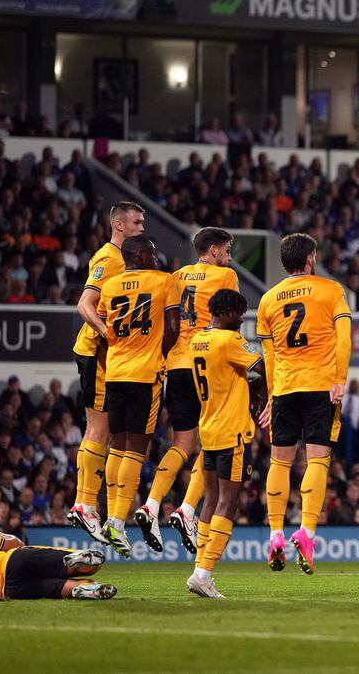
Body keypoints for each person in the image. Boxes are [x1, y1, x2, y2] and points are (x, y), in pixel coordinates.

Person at [135, 228, 239, 553]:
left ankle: (151, 505)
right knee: (210, 443)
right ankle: (188, 508)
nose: (230, 255)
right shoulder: (226, 275)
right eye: (227, 249)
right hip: (206, 360)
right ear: (212, 250)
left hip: (176, 364)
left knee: (182, 442)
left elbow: (167, 322)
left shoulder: (175, 277)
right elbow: (229, 315)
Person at [257, 233, 352, 574]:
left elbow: (267, 354)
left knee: (280, 463)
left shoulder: (268, 300)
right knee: (317, 460)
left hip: (284, 388)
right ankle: (307, 532)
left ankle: (275, 535)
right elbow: (344, 337)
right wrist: (339, 378)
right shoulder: (331, 290)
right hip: (320, 386)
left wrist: (270, 395)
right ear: (310, 258)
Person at [84, 235, 181, 556]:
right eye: (152, 252)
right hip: (145, 374)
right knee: (137, 451)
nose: (156, 256)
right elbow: (173, 328)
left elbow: (102, 322)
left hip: (115, 373)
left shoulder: (110, 286)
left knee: (118, 446)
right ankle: (116, 522)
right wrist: (160, 354)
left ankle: (112, 516)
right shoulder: (164, 281)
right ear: (140, 255)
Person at [67, 201, 145, 543]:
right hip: (96, 352)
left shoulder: (122, 261)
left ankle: (93, 506)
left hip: (106, 356)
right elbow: (84, 304)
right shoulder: (108, 258)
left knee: (108, 430)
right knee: (98, 428)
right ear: (120, 226)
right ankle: (84, 504)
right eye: (137, 222)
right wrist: (106, 332)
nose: (142, 227)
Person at [185, 289, 267, 598]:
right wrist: (262, 398)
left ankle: (199, 570)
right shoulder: (230, 341)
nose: (242, 319)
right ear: (229, 311)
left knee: (211, 499)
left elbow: (231, 375)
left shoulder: (198, 341)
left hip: (207, 428)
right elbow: (259, 368)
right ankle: (204, 573)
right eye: (241, 312)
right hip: (232, 430)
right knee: (227, 503)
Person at [0, 525, 115, 600]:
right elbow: (17, 544)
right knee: (64, 564)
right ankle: (76, 561)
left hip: (11, 590)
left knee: (56, 589)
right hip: (12, 561)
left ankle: (82, 589)